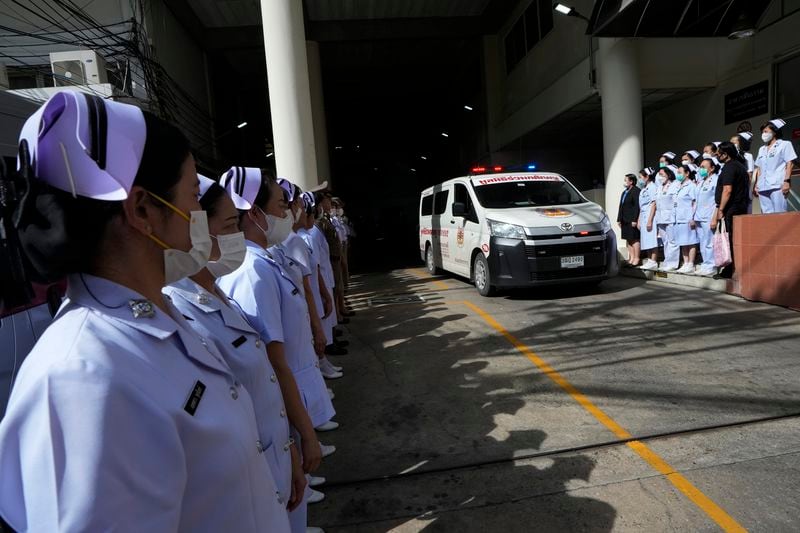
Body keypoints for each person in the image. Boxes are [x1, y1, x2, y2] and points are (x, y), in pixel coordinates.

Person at [0, 93, 290, 531]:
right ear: (141, 210)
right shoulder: (82, 377)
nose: (201, 216)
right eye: (193, 195)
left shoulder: (157, 319)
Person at [216, 166, 338, 499]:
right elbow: (273, 360)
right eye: (282, 207)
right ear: (254, 213)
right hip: (282, 394)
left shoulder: (264, 260)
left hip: (291, 389)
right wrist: (305, 434)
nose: (288, 213)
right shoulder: (252, 271)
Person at [713, 142, 750, 278]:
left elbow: (727, 190)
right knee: (733, 238)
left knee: (728, 238)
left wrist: (721, 209)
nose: (716, 155)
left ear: (725, 154)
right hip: (740, 206)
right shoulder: (740, 166)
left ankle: (728, 269)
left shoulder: (729, 168)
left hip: (731, 208)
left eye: (718, 153)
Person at [753, 118, 797, 214]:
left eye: (766, 131)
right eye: (762, 132)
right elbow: (759, 168)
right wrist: (756, 184)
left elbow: (790, 163)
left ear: (774, 132)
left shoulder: (784, 144)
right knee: (766, 216)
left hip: (777, 185)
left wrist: (787, 181)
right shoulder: (762, 149)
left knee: (779, 214)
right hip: (762, 187)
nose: (763, 134)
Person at [693, 156, 720, 276]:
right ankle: (705, 263)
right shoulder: (701, 181)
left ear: (712, 168)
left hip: (709, 215)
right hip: (699, 216)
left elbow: (717, 201)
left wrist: (715, 216)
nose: (700, 169)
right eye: (700, 167)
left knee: (710, 242)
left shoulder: (716, 180)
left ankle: (712, 265)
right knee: (703, 242)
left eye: (703, 167)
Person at [674, 164, 700, 274]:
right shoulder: (678, 185)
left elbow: (695, 202)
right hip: (678, 218)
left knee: (691, 241)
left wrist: (693, 217)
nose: (678, 175)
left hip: (688, 217)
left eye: (680, 172)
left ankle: (691, 263)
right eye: (677, 172)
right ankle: (685, 263)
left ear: (687, 173)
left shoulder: (691, 186)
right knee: (683, 242)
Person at [655, 165, 680, 272]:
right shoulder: (660, 187)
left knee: (672, 241)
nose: (660, 177)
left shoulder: (674, 185)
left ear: (668, 175)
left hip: (670, 217)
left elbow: (675, 202)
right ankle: (667, 260)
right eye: (659, 175)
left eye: (662, 174)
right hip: (660, 218)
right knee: (665, 241)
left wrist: (674, 216)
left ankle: (673, 263)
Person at [637, 167, 659, 270]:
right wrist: (639, 220)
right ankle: (649, 259)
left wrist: (650, 220)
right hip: (644, 216)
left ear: (647, 177)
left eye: (641, 177)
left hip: (651, 216)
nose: (639, 180)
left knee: (652, 239)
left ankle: (653, 260)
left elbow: (654, 203)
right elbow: (641, 207)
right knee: (646, 240)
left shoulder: (652, 187)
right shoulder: (643, 189)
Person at [617, 173, 641, 266]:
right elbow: (621, 206)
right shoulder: (625, 192)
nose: (624, 182)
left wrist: (635, 219)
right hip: (624, 220)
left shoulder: (636, 191)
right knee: (628, 239)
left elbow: (636, 207)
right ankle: (631, 258)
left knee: (634, 239)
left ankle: (636, 258)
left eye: (626, 180)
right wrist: (619, 219)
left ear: (631, 181)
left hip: (632, 220)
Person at [731, 131, 755, 213]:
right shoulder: (730, 158)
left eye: (734, 143)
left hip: (743, 192)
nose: (732, 144)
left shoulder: (748, 156)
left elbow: (749, 175)